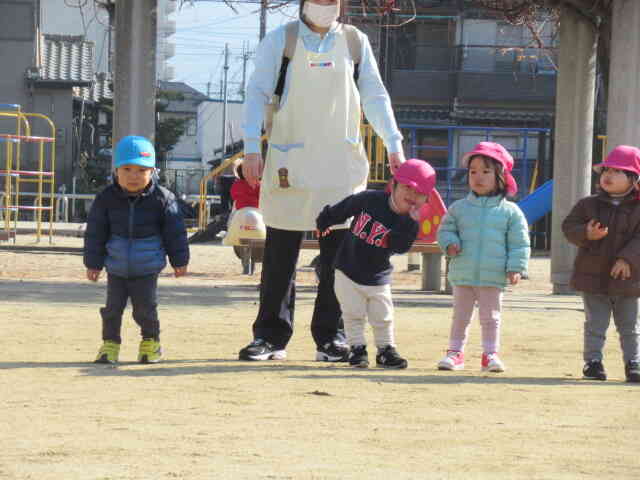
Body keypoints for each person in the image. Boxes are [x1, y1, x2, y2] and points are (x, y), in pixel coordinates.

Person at [238, 0, 406, 361]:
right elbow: (256, 92)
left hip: (340, 165)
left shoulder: (355, 41)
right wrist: (252, 146)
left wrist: (393, 142)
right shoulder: (280, 41)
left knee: (339, 259)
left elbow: (375, 95)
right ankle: (269, 335)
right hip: (290, 160)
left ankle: (332, 336)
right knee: (280, 256)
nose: (326, 5)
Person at [316, 159, 436, 369]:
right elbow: (346, 206)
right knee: (353, 314)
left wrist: (411, 222)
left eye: (419, 193)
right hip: (347, 268)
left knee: (383, 316)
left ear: (426, 199)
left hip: (378, 276)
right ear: (394, 184)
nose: (411, 195)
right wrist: (325, 220)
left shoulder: (409, 222)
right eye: (407, 187)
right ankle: (357, 349)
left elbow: (400, 247)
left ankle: (385, 349)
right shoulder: (371, 199)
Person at [84, 135, 190, 364]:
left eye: (141, 170)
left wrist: (179, 260)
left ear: (152, 171)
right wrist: (93, 263)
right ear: (116, 171)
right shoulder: (105, 198)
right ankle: (109, 345)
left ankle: (151, 342)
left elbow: (175, 232)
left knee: (145, 310)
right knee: (112, 310)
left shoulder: (164, 199)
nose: (134, 176)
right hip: (116, 266)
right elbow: (95, 233)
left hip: (147, 267)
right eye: (127, 169)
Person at [436, 142, 530, 373]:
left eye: (486, 171)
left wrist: (516, 267)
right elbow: (444, 230)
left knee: (491, 317)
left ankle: (490, 354)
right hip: (463, 273)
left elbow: (519, 243)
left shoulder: (511, 212)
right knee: (460, 316)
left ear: (500, 176)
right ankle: (455, 352)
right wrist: (449, 243)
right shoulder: (458, 208)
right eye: (473, 171)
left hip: (493, 275)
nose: (478, 177)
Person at [562, 145, 640, 383]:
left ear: (634, 179)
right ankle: (593, 362)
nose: (608, 175)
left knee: (629, 324)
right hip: (592, 275)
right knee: (595, 322)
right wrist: (586, 233)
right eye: (606, 169)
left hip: (629, 279)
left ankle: (633, 362)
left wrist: (627, 258)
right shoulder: (588, 204)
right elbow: (568, 227)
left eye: (618, 171)